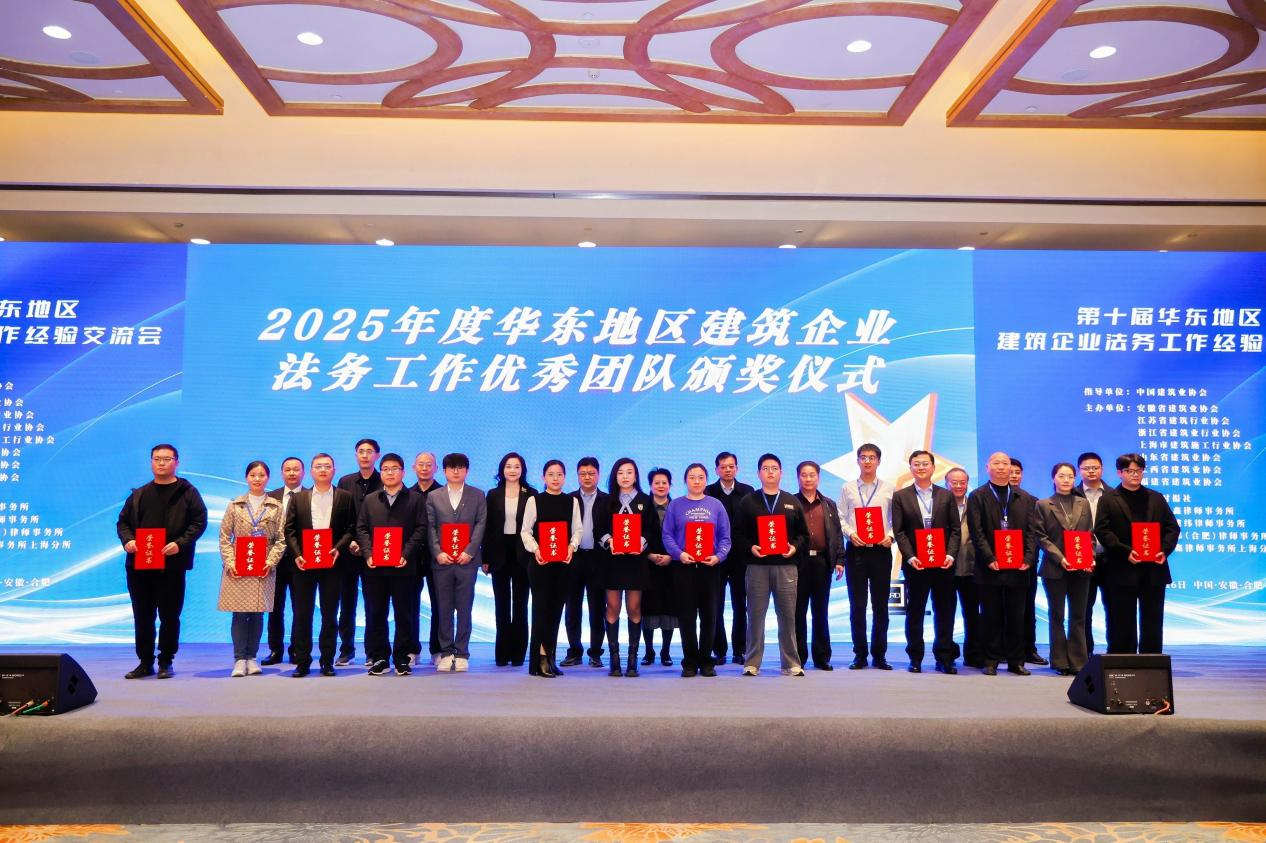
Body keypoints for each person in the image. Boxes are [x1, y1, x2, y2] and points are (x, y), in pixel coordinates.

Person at [116, 443, 208, 679]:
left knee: (169, 616)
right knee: (142, 616)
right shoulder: (139, 494)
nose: (161, 463)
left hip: (172, 566)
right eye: (157, 458)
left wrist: (180, 544)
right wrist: (128, 541)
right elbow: (122, 523)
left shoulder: (188, 492)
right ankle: (145, 662)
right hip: (139, 566)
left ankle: (166, 661)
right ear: (151, 462)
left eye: (167, 459)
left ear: (176, 462)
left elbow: (199, 522)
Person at [1094, 453, 1181, 654]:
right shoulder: (1108, 499)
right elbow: (1102, 530)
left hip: (1154, 568)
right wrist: (1125, 552)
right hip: (1122, 567)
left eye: (1138, 471)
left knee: (1153, 618)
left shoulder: (1156, 498)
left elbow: (1172, 528)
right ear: (1119, 473)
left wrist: (1164, 550)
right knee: (1122, 618)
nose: (1134, 474)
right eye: (1129, 471)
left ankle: (1152, 659)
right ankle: (1124, 659)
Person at [284, 452, 357, 676]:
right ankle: (302, 662)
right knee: (302, 614)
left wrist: (339, 548)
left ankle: (327, 661)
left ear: (334, 470)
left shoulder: (345, 497)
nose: (323, 470)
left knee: (330, 614)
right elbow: (289, 529)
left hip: (332, 563)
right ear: (311, 471)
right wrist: (297, 555)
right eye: (318, 466)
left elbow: (351, 528)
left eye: (327, 466)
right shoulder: (299, 498)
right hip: (304, 564)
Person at [967, 451, 1040, 675]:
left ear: (1011, 468)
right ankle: (990, 660)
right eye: (996, 463)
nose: (1001, 467)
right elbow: (976, 532)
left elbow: (1032, 532)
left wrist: (1029, 558)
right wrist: (989, 558)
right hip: (989, 567)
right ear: (987, 468)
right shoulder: (977, 496)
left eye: (1005, 463)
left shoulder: (1025, 498)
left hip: (1019, 567)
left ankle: (1016, 661)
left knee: (1017, 616)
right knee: (991, 615)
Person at [736, 453, 808, 677]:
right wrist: (751, 547)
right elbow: (737, 533)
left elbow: (803, 535)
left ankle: (791, 662)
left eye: (774, 468)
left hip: (786, 566)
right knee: (755, 616)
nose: (770, 472)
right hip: (757, 567)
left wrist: (794, 547)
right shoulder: (748, 501)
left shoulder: (791, 501)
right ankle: (752, 662)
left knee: (787, 616)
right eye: (765, 468)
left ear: (781, 473)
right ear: (758, 473)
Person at [355, 452, 428, 676]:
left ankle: (402, 658)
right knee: (376, 613)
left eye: (394, 469)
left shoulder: (415, 499)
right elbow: (361, 528)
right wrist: (368, 553)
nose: (389, 473)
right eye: (385, 469)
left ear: (403, 472)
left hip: (404, 566)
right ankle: (380, 658)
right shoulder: (371, 500)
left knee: (404, 614)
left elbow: (421, 528)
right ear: (381, 472)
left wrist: (406, 553)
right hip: (374, 568)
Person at [891, 450, 962, 674]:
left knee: (945, 610)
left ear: (933, 467)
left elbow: (955, 529)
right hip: (916, 564)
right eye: (916, 464)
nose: (921, 468)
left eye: (925, 464)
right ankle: (915, 658)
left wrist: (950, 555)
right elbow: (899, 531)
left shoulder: (946, 495)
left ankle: (944, 657)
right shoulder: (901, 496)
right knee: (915, 611)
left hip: (943, 564)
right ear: (910, 468)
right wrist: (910, 556)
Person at [662, 463, 732, 677]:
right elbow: (667, 535)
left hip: (709, 568)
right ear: (685, 480)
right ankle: (690, 662)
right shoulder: (675, 505)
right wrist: (679, 554)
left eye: (701, 477)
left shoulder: (716, 505)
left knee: (710, 616)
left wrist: (718, 556)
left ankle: (706, 660)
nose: (696, 481)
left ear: (706, 480)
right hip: (684, 567)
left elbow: (725, 537)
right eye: (692, 477)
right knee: (686, 617)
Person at [218, 461, 287, 677]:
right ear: (246, 478)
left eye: (261, 475)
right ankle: (239, 659)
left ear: (268, 478)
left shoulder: (276, 506)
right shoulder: (235, 504)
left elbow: (281, 539)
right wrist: (230, 563)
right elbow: (224, 537)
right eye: (253, 475)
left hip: (262, 565)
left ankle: (252, 658)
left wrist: (270, 562)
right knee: (240, 613)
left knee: (257, 614)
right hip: (239, 565)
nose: (257, 479)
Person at [595, 457, 658, 677]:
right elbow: (598, 529)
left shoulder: (645, 501)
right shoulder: (606, 501)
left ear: (635, 476)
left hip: (636, 562)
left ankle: (632, 659)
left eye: (629, 472)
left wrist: (641, 542)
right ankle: (614, 659)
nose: (625, 476)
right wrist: (610, 542)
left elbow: (651, 530)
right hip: (612, 562)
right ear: (615, 476)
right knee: (612, 607)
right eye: (620, 472)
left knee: (634, 607)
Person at [521, 459, 583, 678]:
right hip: (541, 564)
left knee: (556, 611)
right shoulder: (534, 500)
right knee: (541, 611)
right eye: (551, 474)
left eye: (559, 475)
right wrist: (536, 549)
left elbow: (578, 530)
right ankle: (539, 660)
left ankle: (550, 657)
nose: (555, 479)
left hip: (563, 564)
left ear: (564, 477)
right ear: (543, 477)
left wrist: (571, 547)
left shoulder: (572, 501)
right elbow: (525, 531)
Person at [426, 453, 487, 672]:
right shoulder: (434, 496)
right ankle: (446, 652)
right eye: (451, 467)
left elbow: (481, 524)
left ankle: (461, 652)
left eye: (460, 467)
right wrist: (437, 552)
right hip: (442, 562)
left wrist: (470, 551)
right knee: (443, 608)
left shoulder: (477, 495)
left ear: (467, 471)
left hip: (466, 562)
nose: (455, 471)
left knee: (464, 608)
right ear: (444, 471)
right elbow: (430, 527)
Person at [838, 443, 895, 670]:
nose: (868, 461)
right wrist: (850, 534)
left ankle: (879, 655)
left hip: (881, 551)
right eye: (863, 457)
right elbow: (840, 517)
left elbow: (896, 519)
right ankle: (860, 655)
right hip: (856, 551)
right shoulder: (848, 488)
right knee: (857, 605)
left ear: (879, 461)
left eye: (872, 457)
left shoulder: (889, 488)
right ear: (858, 461)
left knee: (881, 606)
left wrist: (891, 536)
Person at [1034, 462, 1094, 675]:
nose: (1066, 480)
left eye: (1070, 476)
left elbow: (1089, 535)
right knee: (1057, 615)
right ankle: (1060, 661)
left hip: (1081, 568)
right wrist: (1060, 558)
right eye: (1061, 476)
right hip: (1054, 568)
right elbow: (1041, 537)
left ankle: (1078, 662)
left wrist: (1090, 557)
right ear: (1054, 478)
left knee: (1078, 616)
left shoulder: (1083, 503)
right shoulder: (1043, 504)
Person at [793, 460, 846, 671]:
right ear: (798, 478)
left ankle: (822, 657)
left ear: (818, 477)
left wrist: (840, 560)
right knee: (798, 612)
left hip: (822, 563)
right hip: (798, 563)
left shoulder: (829, 504)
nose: (808, 479)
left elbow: (837, 534)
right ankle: (798, 656)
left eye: (812, 475)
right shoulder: (790, 503)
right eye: (804, 475)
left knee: (820, 612)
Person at [483, 452, 534, 667]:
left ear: (522, 470)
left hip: (523, 554)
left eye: (516, 466)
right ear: (502, 470)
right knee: (501, 605)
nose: (512, 470)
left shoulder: (531, 494)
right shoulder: (493, 494)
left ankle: (518, 654)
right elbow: (487, 528)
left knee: (521, 605)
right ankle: (502, 653)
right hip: (499, 554)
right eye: (508, 466)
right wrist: (485, 558)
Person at [704, 451, 755, 665]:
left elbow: (752, 524)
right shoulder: (708, 492)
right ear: (717, 470)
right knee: (715, 604)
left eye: (731, 466)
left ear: (737, 468)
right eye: (723, 467)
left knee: (740, 604)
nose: (727, 470)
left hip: (740, 557)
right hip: (714, 557)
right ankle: (719, 650)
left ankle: (740, 649)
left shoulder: (748, 492)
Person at [335, 438, 382, 666]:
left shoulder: (384, 481)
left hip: (374, 552)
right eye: (361, 451)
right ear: (356, 455)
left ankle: (373, 651)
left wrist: (365, 545)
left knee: (374, 603)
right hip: (348, 552)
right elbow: (340, 516)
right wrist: (350, 542)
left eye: (369, 451)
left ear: (377, 455)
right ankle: (346, 650)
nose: (365, 455)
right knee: (347, 603)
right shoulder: (345, 481)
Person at [562, 457, 608, 668]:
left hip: (598, 559)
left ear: (598, 474)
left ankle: (596, 652)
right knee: (572, 606)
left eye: (591, 473)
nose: (587, 477)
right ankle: (574, 651)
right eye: (583, 474)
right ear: (577, 475)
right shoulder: (568, 499)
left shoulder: (608, 500)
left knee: (597, 608)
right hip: (574, 558)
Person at [262, 456, 305, 667]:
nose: (292, 473)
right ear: (281, 473)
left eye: (296, 469)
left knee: (300, 607)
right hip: (275, 561)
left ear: (303, 473)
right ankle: (275, 649)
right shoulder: (270, 497)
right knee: (274, 607)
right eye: (287, 469)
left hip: (301, 560)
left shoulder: (310, 496)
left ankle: (297, 649)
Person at [1010, 457, 1048, 667]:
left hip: (1026, 563)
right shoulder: (992, 499)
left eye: (1017, 472)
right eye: (1011, 472)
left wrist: (1029, 558)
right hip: (1000, 564)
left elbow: (1036, 533)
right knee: (1004, 608)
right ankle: (1005, 650)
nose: (1014, 476)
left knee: (1028, 607)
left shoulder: (1032, 501)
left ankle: (1029, 649)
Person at [946, 468, 984, 668]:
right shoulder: (939, 506)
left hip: (971, 567)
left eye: (962, 482)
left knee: (972, 613)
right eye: (954, 482)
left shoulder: (976, 505)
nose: (959, 486)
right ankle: (947, 654)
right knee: (946, 613)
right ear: (946, 483)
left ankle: (973, 654)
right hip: (945, 568)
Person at [1073, 452, 1109, 656]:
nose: (1091, 471)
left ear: (1102, 469)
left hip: (1110, 559)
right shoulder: (1071, 494)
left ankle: (1115, 652)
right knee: (1083, 609)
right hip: (1082, 559)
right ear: (1080, 471)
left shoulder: (1113, 494)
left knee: (1113, 607)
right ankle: (1084, 653)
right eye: (1086, 468)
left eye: (1095, 467)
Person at [640, 467, 676, 666]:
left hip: (672, 565)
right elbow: (636, 533)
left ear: (670, 485)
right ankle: (649, 651)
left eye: (664, 483)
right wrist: (648, 555)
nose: (661, 486)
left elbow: (683, 535)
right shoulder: (643, 507)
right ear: (650, 485)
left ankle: (665, 651)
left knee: (669, 607)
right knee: (648, 607)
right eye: (657, 483)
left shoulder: (677, 507)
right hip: (648, 565)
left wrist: (672, 556)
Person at [411, 451, 442, 666]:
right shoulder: (406, 494)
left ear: (436, 468)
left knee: (439, 604)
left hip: (437, 557)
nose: (424, 468)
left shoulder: (443, 493)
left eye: (428, 464)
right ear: (414, 468)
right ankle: (412, 649)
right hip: (412, 557)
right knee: (410, 605)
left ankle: (437, 649)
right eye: (420, 464)